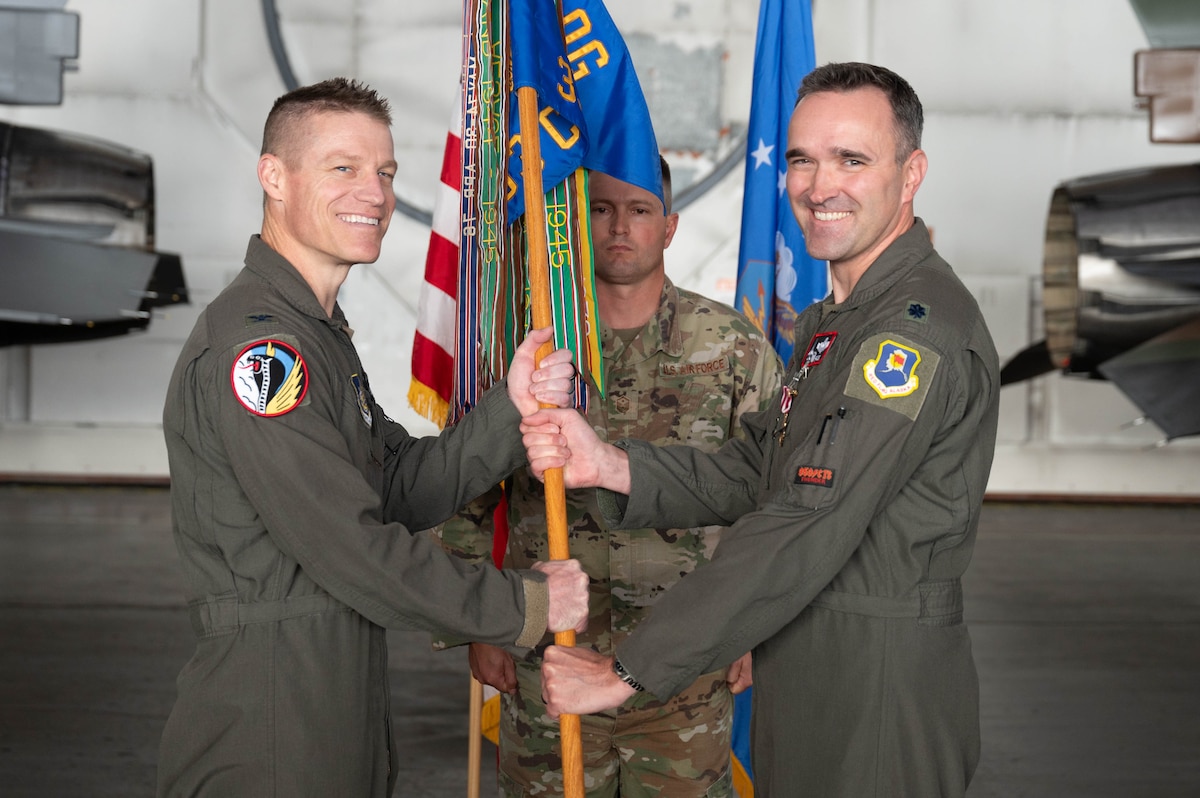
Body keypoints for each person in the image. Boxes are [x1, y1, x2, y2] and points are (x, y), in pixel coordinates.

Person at [527, 62, 1001, 797]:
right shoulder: (836, 324)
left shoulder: (910, 335)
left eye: (852, 159)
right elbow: (758, 470)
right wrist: (611, 465)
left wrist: (627, 670)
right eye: (802, 160)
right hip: (811, 663)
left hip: (872, 681)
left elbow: (803, 520)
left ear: (911, 175)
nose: (819, 187)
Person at [157, 77, 590, 798]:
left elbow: (393, 486)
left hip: (327, 691)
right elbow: (350, 545)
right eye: (343, 168)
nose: (376, 192)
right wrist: (524, 606)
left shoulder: (314, 335)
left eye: (385, 172)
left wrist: (508, 413)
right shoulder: (264, 354)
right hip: (272, 712)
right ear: (274, 176)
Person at [435, 158, 782, 797]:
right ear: (574, 224)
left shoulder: (733, 347)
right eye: (601, 209)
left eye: (641, 210)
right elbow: (468, 493)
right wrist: (476, 625)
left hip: (683, 672)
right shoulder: (531, 352)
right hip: (550, 664)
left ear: (670, 227)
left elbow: (769, 500)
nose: (620, 226)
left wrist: (751, 626)